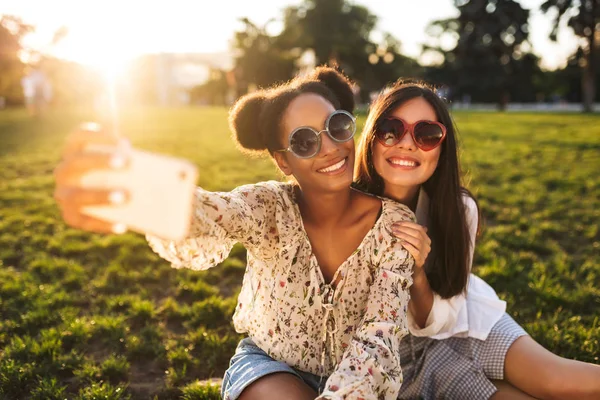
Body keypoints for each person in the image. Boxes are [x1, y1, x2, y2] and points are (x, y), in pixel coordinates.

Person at [53, 67, 417, 400]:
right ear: (283, 161)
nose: (330, 148)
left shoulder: (394, 226)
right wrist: (141, 191)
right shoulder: (269, 207)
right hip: (270, 368)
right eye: (305, 142)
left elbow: (378, 336)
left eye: (337, 126)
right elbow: (215, 212)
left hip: (360, 378)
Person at [354, 80, 600, 399]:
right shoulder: (344, 205)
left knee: (555, 380)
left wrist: (417, 273)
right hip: (406, 350)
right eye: (391, 129)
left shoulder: (458, 208)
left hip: (465, 319)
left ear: (442, 148)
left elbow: (445, 313)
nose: (406, 143)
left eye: (427, 134)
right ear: (372, 137)